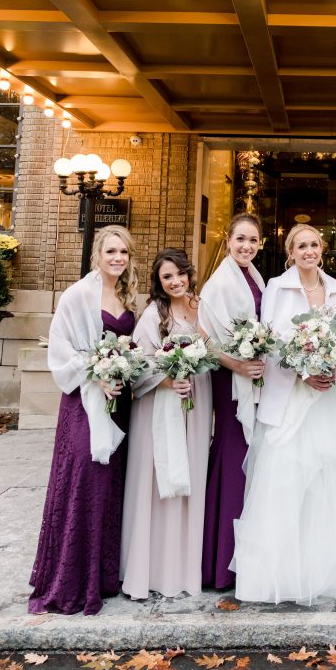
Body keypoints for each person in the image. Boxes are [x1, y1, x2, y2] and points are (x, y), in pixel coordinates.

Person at [233, 224, 336, 605]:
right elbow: (269, 342)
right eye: (301, 246)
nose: (309, 251)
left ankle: (319, 574)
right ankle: (279, 577)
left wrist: (332, 365)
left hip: (328, 400)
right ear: (290, 252)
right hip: (290, 398)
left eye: (314, 245)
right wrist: (302, 370)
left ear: (323, 249)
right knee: (285, 484)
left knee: (325, 488)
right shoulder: (276, 287)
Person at [28, 226, 138, 615]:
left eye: (124, 252)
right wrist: (97, 374)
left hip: (119, 402)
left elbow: (134, 347)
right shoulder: (77, 296)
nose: (118, 258)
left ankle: (103, 576)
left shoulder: (128, 296)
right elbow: (60, 350)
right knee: (84, 478)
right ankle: (70, 579)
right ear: (98, 254)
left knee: (110, 485)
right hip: (84, 403)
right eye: (111, 251)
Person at [121, 249, 212, 598]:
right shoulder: (152, 315)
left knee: (192, 474)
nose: (175, 282)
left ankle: (185, 566)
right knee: (156, 480)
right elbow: (139, 366)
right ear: (159, 284)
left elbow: (214, 348)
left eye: (180, 275)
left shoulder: (203, 306)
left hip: (196, 403)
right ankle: (154, 569)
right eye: (167, 278)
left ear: (189, 273)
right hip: (160, 405)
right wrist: (167, 381)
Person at [198, 212, 266, 589]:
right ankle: (220, 562)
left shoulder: (253, 276)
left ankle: (244, 555)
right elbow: (205, 336)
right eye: (241, 239)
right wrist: (236, 365)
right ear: (228, 241)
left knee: (248, 460)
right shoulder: (219, 283)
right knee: (231, 454)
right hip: (229, 381)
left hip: (250, 379)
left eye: (253, 240)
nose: (247, 246)